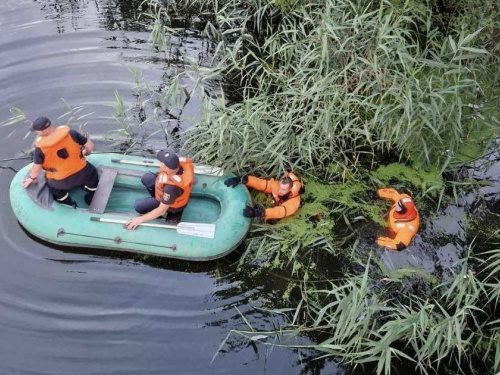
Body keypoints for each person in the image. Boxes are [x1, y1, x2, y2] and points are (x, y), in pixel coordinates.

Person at [22, 116, 98, 208]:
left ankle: (69, 204)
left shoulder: (40, 148)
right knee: (92, 173)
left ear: (41, 131)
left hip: (61, 181)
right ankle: (91, 196)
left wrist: (32, 178)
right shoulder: (71, 133)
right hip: (84, 173)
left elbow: (36, 168)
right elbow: (90, 146)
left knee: (54, 189)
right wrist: (86, 152)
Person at [126, 151, 194, 230]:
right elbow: (168, 157)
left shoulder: (170, 188)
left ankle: (173, 214)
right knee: (147, 178)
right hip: (165, 191)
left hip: (172, 205)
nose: (159, 163)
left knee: (138, 206)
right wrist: (159, 152)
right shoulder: (177, 164)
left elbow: (161, 210)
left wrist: (139, 220)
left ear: (166, 167)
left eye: (161, 162)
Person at [224, 172, 303, 221]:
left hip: (285, 219)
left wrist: (260, 213)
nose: (279, 191)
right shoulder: (277, 186)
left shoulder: (293, 203)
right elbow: (262, 184)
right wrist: (243, 180)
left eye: (283, 189)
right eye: (280, 186)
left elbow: (280, 211)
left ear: (290, 191)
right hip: (275, 205)